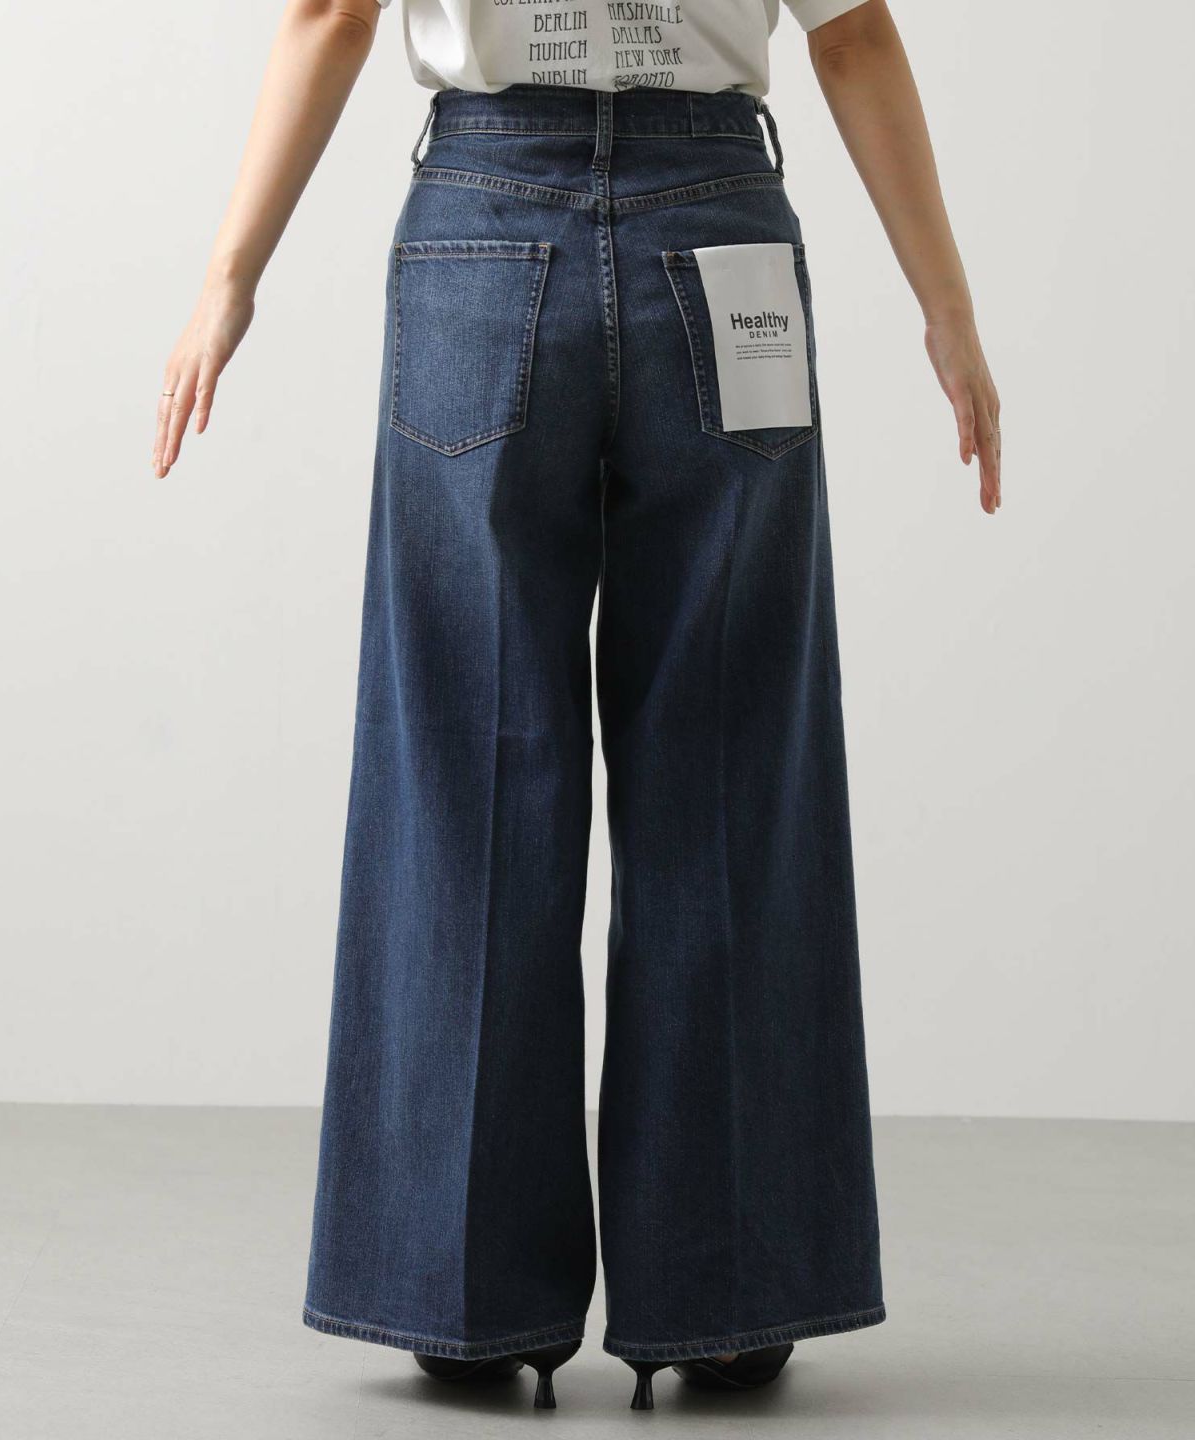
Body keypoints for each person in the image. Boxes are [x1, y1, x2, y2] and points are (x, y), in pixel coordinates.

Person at [153, 0, 1001, 1412]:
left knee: (464, 765)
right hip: (719, 237)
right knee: (731, 759)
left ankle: (465, 1293)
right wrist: (947, 308)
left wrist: (227, 279)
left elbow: (333, 12)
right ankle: (725, 1295)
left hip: (483, 232)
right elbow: (852, 34)